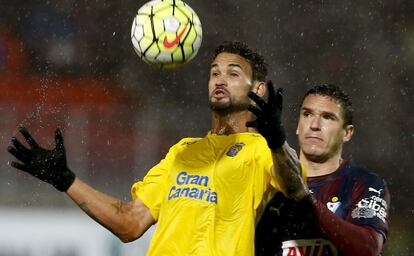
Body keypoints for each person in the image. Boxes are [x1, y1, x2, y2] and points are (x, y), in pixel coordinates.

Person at [7, 41, 307, 256]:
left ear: (258, 89)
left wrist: (277, 140)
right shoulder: (182, 152)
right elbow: (130, 223)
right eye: (214, 72)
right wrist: (66, 180)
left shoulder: (263, 151)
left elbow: (297, 188)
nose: (219, 79)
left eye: (232, 73)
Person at [255, 84, 390, 256]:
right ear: (297, 125)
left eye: (327, 117)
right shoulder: (267, 181)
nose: (314, 125)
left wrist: (305, 200)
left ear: (347, 133)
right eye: (307, 114)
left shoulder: (364, 182)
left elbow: (368, 248)